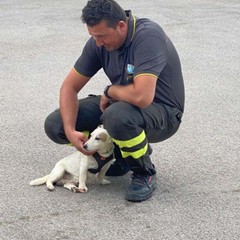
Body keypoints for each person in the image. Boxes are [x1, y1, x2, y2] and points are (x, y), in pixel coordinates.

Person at [44, 0, 185, 202]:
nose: (98, 42)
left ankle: (144, 171)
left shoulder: (148, 37)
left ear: (121, 25)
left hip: (164, 112)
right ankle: (117, 153)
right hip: (123, 104)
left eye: (101, 36)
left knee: (116, 116)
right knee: (55, 125)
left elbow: (142, 97)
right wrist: (69, 130)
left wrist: (110, 91)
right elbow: (69, 87)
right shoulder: (98, 42)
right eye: (93, 36)